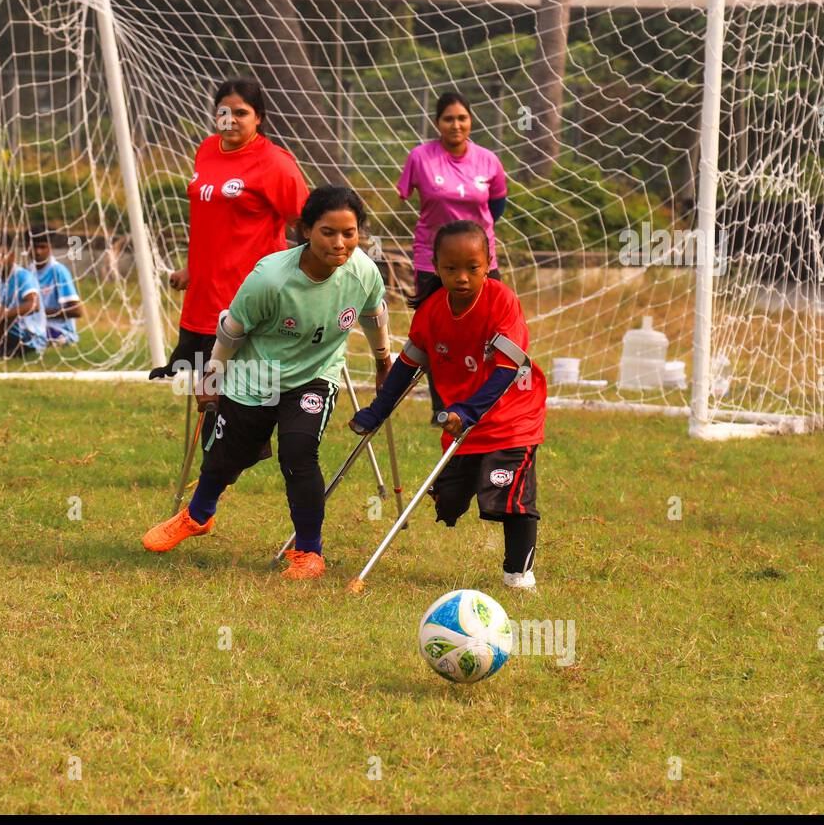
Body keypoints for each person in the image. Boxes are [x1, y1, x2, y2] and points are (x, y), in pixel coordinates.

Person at [142, 186, 393, 581]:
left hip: (314, 376)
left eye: (350, 232)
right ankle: (197, 516)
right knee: (226, 458)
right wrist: (212, 374)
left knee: (298, 451)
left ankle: (309, 552)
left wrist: (383, 362)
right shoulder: (271, 278)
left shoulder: (363, 271)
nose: (340, 243)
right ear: (306, 230)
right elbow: (232, 328)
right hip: (256, 374)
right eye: (328, 232)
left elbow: (374, 313)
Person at [349, 220, 546, 592]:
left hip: (511, 417)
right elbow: (407, 366)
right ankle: (454, 491)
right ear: (436, 267)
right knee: (449, 503)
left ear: (487, 264)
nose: (462, 277)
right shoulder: (430, 312)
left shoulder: (502, 300)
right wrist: (377, 411)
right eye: (451, 268)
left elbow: (506, 370)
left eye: (472, 268)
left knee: (505, 496)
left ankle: (518, 575)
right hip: (459, 421)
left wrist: (470, 411)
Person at [150, 77, 308, 381]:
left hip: (247, 296)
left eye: (240, 113)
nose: (230, 120)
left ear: (259, 117)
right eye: (223, 112)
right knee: (197, 387)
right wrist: (191, 268)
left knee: (236, 392)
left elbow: (307, 223)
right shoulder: (207, 149)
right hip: (202, 295)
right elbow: (213, 221)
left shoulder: (275, 162)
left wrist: (303, 279)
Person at [398, 92, 509, 424]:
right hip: (431, 263)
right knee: (437, 336)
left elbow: (498, 205)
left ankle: (484, 405)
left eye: (462, 117)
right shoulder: (419, 157)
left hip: (480, 264)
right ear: (437, 123)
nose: (456, 124)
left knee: (488, 334)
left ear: (471, 121)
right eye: (448, 118)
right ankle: (441, 408)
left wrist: (472, 243)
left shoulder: (489, 160)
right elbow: (405, 194)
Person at [25, 226, 84, 346]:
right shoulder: (28, 272)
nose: (38, 252)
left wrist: (42, 312)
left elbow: (77, 311)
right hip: (36, 327)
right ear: (27, 247)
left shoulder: (58, 271)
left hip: (59, 330)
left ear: (50, 248)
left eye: (42, 247)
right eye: (34, 247)